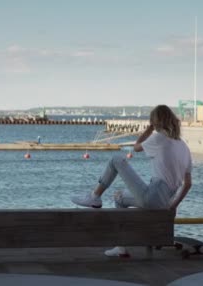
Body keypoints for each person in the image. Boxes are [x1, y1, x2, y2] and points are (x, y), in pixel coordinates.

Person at [71, 105, 192, 257]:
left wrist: (147, 131)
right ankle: (120, 247)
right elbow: (188, 184)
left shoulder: (159, 138)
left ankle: (95, 197)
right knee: (119, 197)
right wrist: (173, 206)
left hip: (152, 196)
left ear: (155, 122)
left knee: (116, 160)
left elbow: (136, 148)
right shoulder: (184, 147)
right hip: (166, 201)